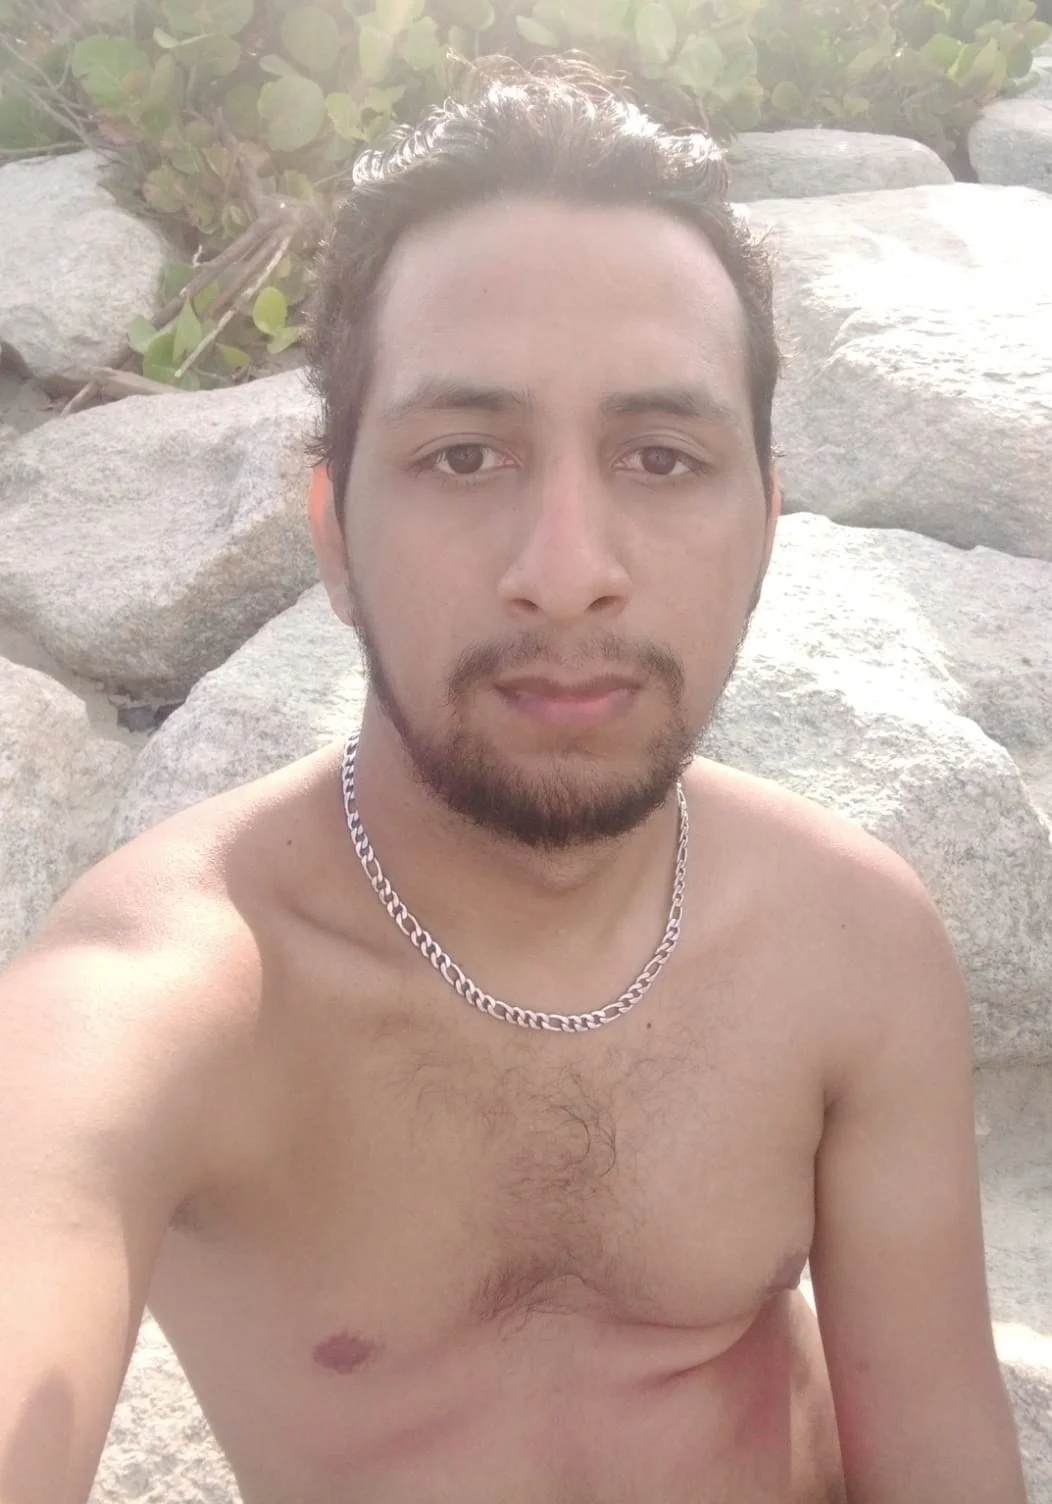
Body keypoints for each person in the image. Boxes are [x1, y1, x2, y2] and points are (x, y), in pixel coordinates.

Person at [0, 58, 1026, 1504]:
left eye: (660, 457)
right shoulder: (159, 1002)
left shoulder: (851, 944)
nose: (566, 571)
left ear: (766, 527)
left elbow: (939, 1458)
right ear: (333, 533)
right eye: (466, 454)